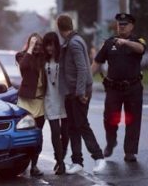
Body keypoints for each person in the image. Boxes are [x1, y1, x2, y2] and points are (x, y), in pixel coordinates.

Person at [91, 13, 146, 162]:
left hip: (133, 87)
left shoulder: (137, 41)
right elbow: (97, 62)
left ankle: (130, 151)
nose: (121, 26)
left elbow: (141, 49)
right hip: (114, 88)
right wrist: (87, 79)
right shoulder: (109, 43)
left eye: (125, 24)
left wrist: (125, 43)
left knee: (133, 120)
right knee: (109, 118)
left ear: (131, 26)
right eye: (119, 24)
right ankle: (111, 141)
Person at [57, 14, 106, 174]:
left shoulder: (74, 43)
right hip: (71, 92)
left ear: (59, 28)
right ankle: (77, 161)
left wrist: (80, 92)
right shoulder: (72, 41)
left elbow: (83, 69)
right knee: (73, 127)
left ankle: (99, 157)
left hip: (79, 92)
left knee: (82, 125)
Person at [16, 33, 46, 176]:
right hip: (26, 102)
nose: (37, 47)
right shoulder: (22, 56)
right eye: (35, 44)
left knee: (37, 136)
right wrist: (30, 48)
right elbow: (24, 67)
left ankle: (34, 166)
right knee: (23, 136)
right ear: (29, 44)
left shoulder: (43, 58)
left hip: (40, 103)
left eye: (39, 45)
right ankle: (20, 165)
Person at [42, 32, 69, 175]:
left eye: (51, 44)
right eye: (46, 45)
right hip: (50, 99)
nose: (49, 48)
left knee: (65, 133)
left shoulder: (63, 58)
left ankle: (60, 157)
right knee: (55, 132)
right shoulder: (43, 61)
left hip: (64, 99)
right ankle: (61, 162)